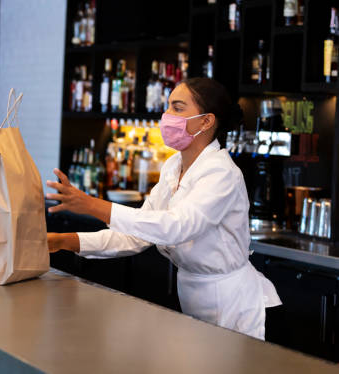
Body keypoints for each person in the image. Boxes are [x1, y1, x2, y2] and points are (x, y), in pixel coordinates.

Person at [45, 77, 281, 340]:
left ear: (206, 121)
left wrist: (92, 205)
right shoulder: (173, 166)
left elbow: (176, 227)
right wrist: (63, 241)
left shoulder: (222, 172)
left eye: (178, 108)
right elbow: (136, 235)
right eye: (168, 107)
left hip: (233, 305)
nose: (167, 116)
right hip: (193, 297)